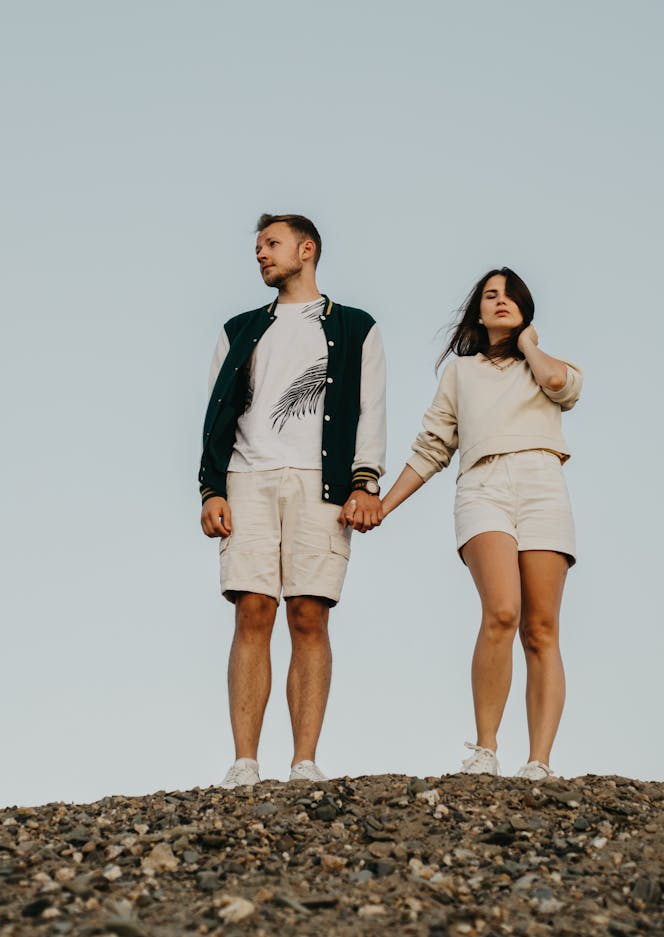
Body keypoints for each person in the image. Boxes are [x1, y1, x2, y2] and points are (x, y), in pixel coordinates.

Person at [199, 213, 386, 787]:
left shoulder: (357, 326)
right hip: (247, 479)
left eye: (271, 244)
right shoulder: (238, 328)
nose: (261, 254)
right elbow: (216, 411)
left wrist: (366, 480)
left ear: (307, 250)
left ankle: (304, 761)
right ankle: (245, 762)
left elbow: (370, 407)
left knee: (310, 615)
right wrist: (211, 488)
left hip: (321, 484)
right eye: (258, 246)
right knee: (251, 610)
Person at [379, 267, 582, 780]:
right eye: (490, 295)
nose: (501, 301)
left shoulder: (547, 365)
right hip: (483, 485)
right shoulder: (460, 372)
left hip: (542, 484)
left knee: (542, 629)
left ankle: (539, 762)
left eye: (511, 295)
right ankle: (485, 749)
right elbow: (431, 448)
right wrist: (383, 506)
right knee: (503, 612)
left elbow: (559, 384)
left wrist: (530, 344)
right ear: (477, 310)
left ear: (526, 308)